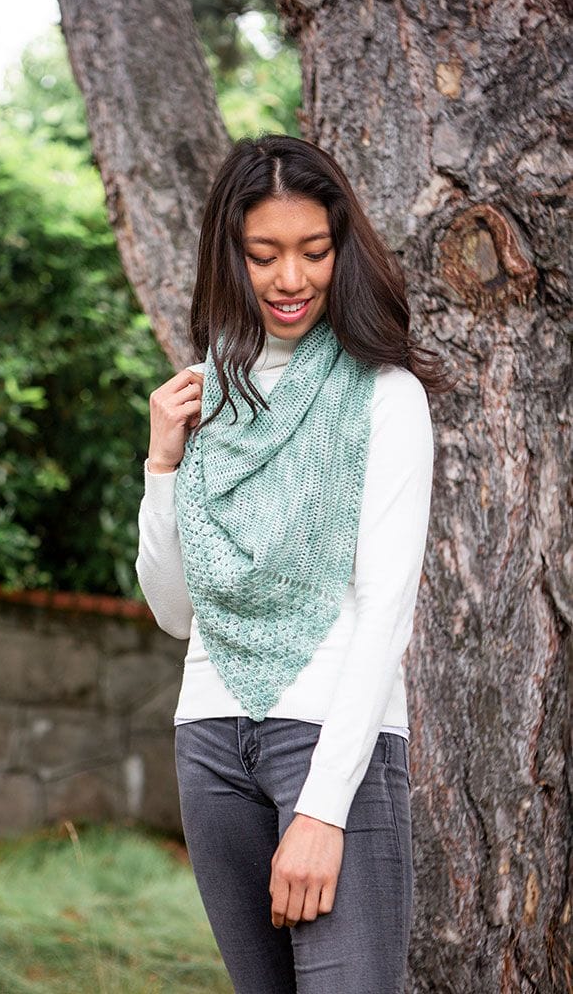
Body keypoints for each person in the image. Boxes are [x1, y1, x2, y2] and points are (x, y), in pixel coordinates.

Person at [135, 133, 449, 994]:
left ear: (342, 250)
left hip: (331, 740)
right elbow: (175, 609)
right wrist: (162, 466)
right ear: (228, 257)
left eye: (314, 252)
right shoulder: (212, 395)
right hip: (208, 742)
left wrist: (322, 808)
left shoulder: (384, 396)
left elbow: (386, 606)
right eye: (263, 254)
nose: (290, 279)